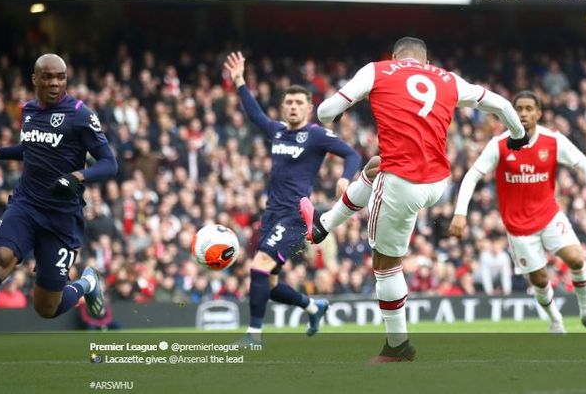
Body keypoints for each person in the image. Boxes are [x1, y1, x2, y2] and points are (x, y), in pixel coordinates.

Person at [300, 37, 528, 362]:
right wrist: (518, 136)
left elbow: (325, 111)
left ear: (395, 56)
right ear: (425, 59)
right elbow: (503, 106)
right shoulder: (448, 78)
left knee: (384, 264)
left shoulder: (378, 70)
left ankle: (397, 345)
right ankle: (323, 224)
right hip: (438, 182)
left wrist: (329, 117)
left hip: (403, 183)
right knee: (375, 165)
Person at [0, 54, 118, 366]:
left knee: (46, 308)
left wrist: (77, 177)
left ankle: (87, 283)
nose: (54, 83)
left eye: (60, 77)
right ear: (34, 78)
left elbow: (109, 163)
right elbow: (31, 147)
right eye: (47, 77)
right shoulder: (29, 110)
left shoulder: (80, 115)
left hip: (61, 218)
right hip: (27, 204)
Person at [223, 52, 361, 344]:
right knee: (268, 282)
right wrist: (239, 81)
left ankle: (253, 336)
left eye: (299, 102)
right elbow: (254, 114)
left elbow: (352, 154)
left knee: (258, 267)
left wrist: (344, 178)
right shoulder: (277, 132)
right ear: (283, 108)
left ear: (309, 108)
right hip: (271, 215)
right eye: (289, 102)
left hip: (297, 215)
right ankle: (313, 307)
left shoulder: (316, 135)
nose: (294, 107)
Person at [448, 90, 586, 334]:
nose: (523, 113)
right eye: (518, 109)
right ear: (510, 114)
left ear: (539, 113)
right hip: (519, 228)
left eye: (528, 109)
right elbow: (472, 176)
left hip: (549, 215)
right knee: (540, 280)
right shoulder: (500, 144)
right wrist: (460, 212)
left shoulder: (552, 140)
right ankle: (555, 319)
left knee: (577, 259)